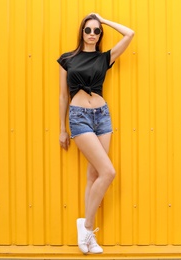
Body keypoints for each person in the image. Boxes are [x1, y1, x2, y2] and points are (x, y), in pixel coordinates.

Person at [57, 13, 134, 254]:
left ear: (100, 35)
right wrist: (62, 128)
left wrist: (104, 20)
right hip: (79, 117)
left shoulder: (105, 58)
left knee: (94, 175)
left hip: (102, 117)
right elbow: (62, 96)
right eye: (88, 30)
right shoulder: (67, 59)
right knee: (109, 172)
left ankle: (87, 234)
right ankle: (88, 226)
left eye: (96, 31)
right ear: (81, 32)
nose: (92, 34)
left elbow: (130, 34)